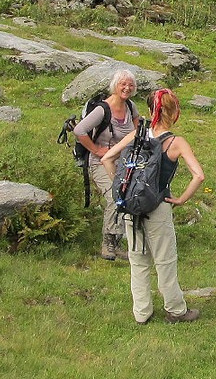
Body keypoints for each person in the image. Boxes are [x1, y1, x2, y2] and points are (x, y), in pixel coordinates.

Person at [102, 88, 205, 324]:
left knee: (137, 260)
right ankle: (176, 310)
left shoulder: (136, 135)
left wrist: (122, 191)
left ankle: (142, 313)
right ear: (175, 112)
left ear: (151, 110)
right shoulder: (175, 142)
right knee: (165, 260)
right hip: (158, 206)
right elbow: (199, 176)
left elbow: (107, 158)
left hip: (130, 207)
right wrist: (180, 200)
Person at [74, 69, 139, 260]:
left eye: (130, 85)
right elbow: (79, 130)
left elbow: (136, 131)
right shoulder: (103, 110)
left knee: (128, 196)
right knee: (114, 195)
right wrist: (95, 149)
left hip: (124, 163)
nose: (127, 88)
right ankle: (107, 244)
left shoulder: (131, 107)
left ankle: (117, 243)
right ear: (115, 86)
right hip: (100, 163)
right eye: (123, 84)